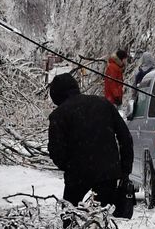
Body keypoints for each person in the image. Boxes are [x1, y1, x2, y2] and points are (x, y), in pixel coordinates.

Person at [48, 72, 133, 206]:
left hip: (77, 175)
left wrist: (69, 166)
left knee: (70, 217)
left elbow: (56, 150)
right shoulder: (103, 104)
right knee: (100, 218)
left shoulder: (59, 115)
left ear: (56, 96)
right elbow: (125, 138)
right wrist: (125, 170)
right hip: (108, 172)